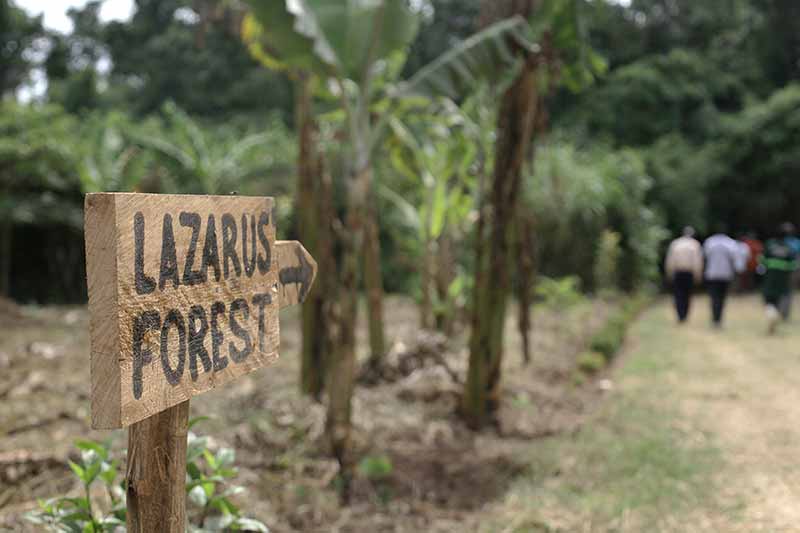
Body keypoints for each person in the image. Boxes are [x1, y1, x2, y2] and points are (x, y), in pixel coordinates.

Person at [762, 222, 799, 333]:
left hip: (770, 276)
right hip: (784, 277)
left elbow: (762, 260)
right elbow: (793, 264)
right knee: (782, 297)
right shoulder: (791, 247)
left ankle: (771, 313)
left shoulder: (770, 244)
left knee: (768, 298)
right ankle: (779, 314)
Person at [704, 229, 742, 327]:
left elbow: (705, 256)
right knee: (722, 298)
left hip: (712, 274)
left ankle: (715, 319)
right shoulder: (731, 243)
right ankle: (718, 319)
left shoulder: (709, 242)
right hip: (725, 275)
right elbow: (736, 260)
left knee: (714, 297)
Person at [665, 227, 704, 323]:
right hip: (689, 272)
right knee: (687, 294)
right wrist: (698, 275)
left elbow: (670, 260)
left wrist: (669, 272)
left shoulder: (675, 243)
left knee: (678, 294)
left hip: (678, 272)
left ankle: (680, 315)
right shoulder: (695, 245)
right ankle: (684, 315)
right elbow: (697, 262)